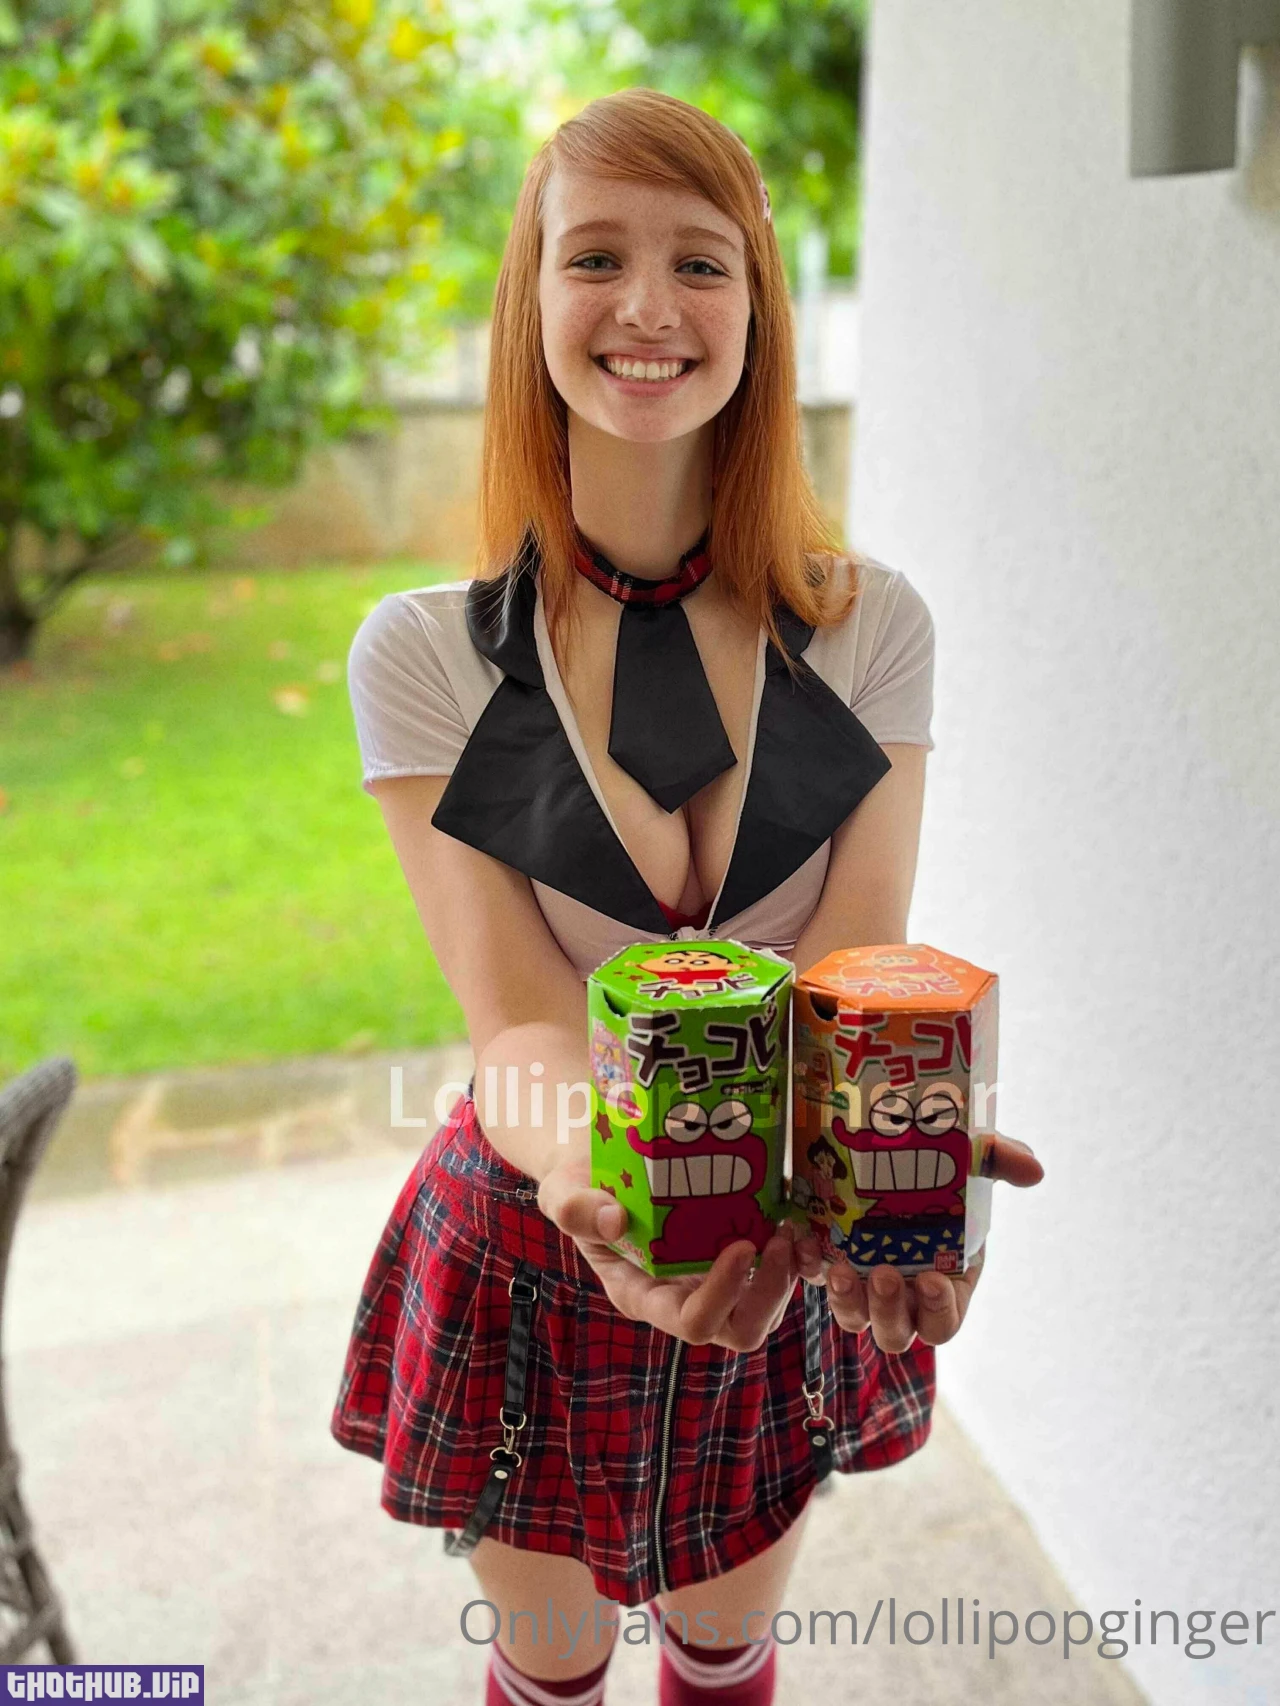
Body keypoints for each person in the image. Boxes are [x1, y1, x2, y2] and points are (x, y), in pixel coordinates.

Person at [330, 87, 1044, 1706]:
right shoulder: (428, 657)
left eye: (699, 263)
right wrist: (609, 1186)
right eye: (595, 257)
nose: (647, 307)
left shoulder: (871, 629)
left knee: (726, 1654)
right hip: (546, 1230)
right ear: (529, 301)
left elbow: (853, 976)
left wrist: (902, 1161)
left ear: (760, 307)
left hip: (773, 1233)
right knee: (552, 1672)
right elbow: (521, 1020)